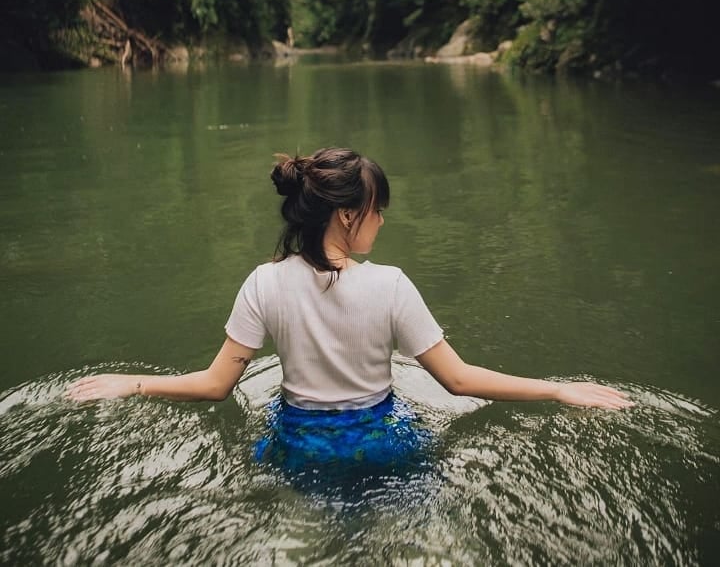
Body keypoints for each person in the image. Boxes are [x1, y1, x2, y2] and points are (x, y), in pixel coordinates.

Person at [67, 147, 631, 469]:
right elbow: (459, 382)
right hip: (382, 441)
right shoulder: (391, 286)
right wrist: (558, 389)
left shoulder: (263, 284)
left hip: (298, 448)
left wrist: (130, 383)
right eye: (377, 209)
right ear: (346, 214)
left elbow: (214, 385)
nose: (383, 221)